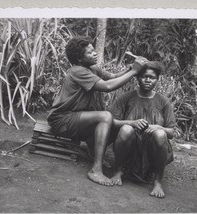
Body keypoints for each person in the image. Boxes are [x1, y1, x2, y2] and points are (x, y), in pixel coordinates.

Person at [47, 36, 147, 186]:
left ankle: (93, 151)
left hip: (77, 118)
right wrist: (134, 72)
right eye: (90, 52)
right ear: (80, 59)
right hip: (62, 119)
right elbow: (107, 86)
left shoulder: (92, 68)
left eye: (94, 50)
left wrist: (131, 68)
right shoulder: (78, 71)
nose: (95, 54)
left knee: (111, 123)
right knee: (106, 116)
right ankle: (96, 170)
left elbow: (112, 77)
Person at [109, 61, 176, 198]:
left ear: (157, 80)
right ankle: (118, 171)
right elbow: (111, 122)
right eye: (144, 76)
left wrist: (158, 127)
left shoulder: (163, 101)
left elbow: (172, 132)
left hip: (153, 150)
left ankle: (157, 182)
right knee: (126, 129)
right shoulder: (127, 97)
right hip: (130, 147)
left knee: (160, 134)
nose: (148, 80)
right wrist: (131, 123)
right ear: (138, 78)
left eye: (152, 77)